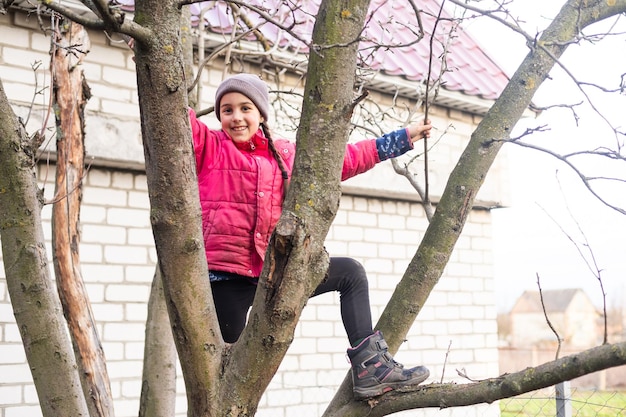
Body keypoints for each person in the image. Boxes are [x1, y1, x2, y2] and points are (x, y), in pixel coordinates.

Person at [189, 73, 433, 399]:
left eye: (245, 108)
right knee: (230, 373)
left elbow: (346, 158)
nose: (236, 117)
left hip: (274, 274)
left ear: (261, 113)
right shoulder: (211, 146)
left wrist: (402, 138)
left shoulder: (286, 154)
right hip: (227, 280)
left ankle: (370, 366)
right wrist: (149, 59)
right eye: (227, 110)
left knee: (350, 273)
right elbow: (176, 116)